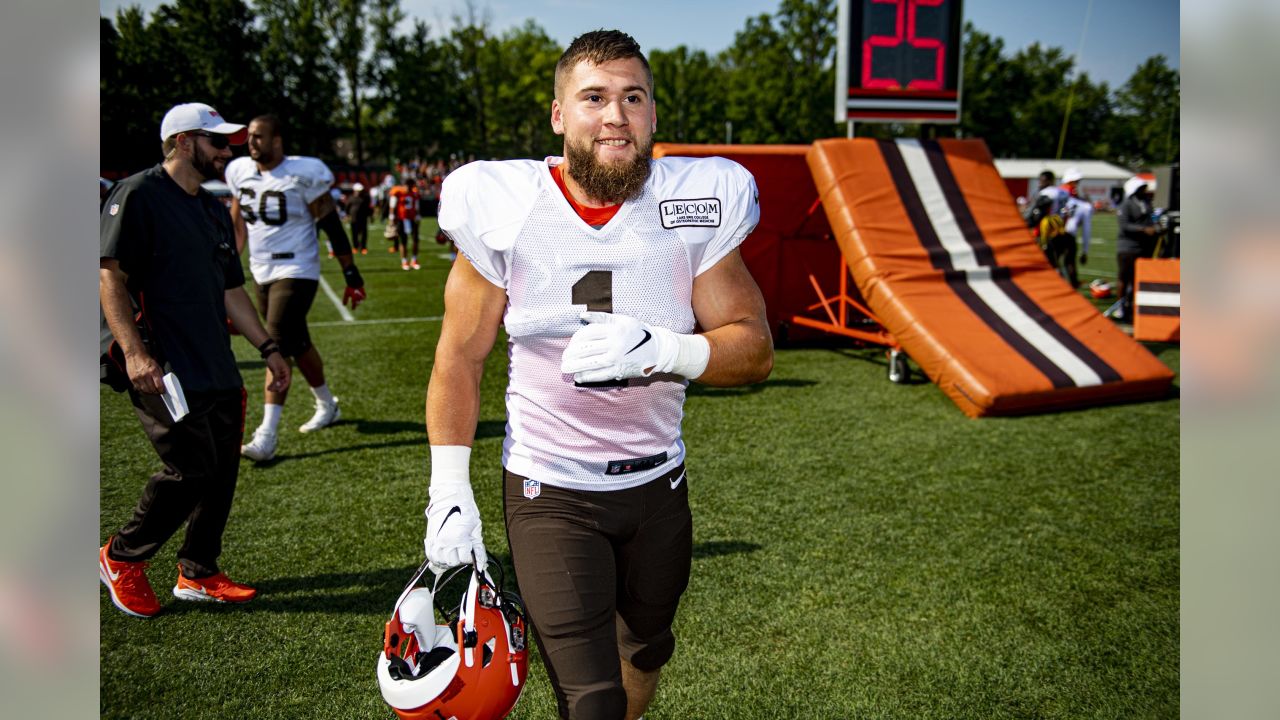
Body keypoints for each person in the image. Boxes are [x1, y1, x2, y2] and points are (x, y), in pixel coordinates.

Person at [422, 30, 772, 720]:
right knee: (591, 698)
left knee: (644, 648)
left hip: (657, 483)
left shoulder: (691, 201)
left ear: (652, 114)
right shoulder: (507, 206)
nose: (616, 115)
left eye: (632, 97)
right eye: (594, 97)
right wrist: (447, 488)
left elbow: (754, 349)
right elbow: (458, 359)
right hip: (551, 487)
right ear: (559, 115)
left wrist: (667, 350)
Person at [99, 102, 292, 618]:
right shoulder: (137, 194)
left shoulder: (210, 207)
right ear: (184, 142)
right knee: (191, 468)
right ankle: (121, 556)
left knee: (222, 467)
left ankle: (199, 571)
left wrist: (268, 347)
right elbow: (110, 278)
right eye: (216, 141)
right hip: (161, 360)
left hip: (213, 358)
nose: (226, 149)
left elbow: (232, 289)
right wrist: (136, 354)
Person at [226, 114, 366, 462]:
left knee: (274, 341)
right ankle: (326, 403)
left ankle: (267, 435)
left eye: (259, 136)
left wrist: (350, 272)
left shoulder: (303, 172)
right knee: (297, 341)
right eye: (250, 138)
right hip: (261, 269)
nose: (252, 143)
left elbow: (331, 224)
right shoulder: (239, 171)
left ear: (277, 141)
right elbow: (237, 222)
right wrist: (227, 264)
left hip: (297, 267)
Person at [1115, 175, 1160, 321]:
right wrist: (1144, 230)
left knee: (1137, 279)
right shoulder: (1126, 204)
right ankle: (1120, 307)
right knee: (1124, 278)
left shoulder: (1146, 203)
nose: (1145, 191)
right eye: (1142, 189)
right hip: (1128, 247)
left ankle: (1133, 306)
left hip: (1143, 246)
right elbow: (1125, 226)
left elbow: (1151, 219)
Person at [388, 177, 421, 269]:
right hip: (401, 219)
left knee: (415, 240)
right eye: (408, 185)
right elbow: (392, 205)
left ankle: (414, 259)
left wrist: (418, 215)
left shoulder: (414, 194)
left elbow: (417, 206)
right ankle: (404, 261)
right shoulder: (398, 192)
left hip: (412, 219)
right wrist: (391, 217)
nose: (409, 187)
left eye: (410, 185)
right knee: (403, 241)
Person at [347, 182, 372, 255]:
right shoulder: (351, 198)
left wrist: (370, 216)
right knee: (354, 234)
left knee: (364, 234)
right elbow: (347, 207)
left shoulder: (365, 197)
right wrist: (347, 215)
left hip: (363, 218)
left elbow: (368, 208)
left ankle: (363, 247)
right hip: (354, 219)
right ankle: (355, 247)